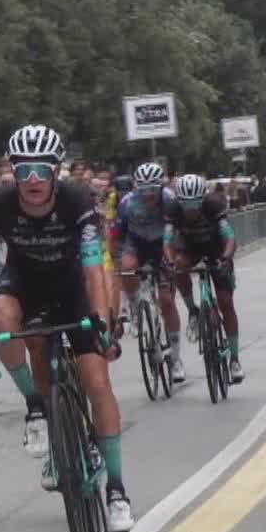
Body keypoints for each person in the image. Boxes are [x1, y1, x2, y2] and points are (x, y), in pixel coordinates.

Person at [0, 125, 132, 532]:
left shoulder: (77, 200)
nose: (33, 180)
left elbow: (94, 270)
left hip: (73, 285)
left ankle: (117, 490)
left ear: (57, 172)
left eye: (41, 170)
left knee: (96, 381)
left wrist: (102, 322)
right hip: (25, 284)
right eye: (23, 171)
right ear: (12, 175)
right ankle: (39, 407)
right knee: (5, 319)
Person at [165, 172, 243, 384]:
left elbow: (228, 236)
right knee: (178, 266)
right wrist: (170, 261)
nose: (190, 210)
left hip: (217, 250)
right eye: (186, 206)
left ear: (203, 199)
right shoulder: (172, 208)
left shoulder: (214, 204)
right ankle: (192, 309)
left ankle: (234, 359)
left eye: (195, 205)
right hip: (190, 250)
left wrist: (226, 258)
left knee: (226, 303)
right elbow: (168, 240)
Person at [112, 162, 184, 384]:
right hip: (137, 244)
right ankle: (135, 305)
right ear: (136, 189)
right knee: (126, 266)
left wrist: (176, 258)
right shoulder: (127, 204)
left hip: (163, 245)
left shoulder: (171, 200)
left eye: (153, 190)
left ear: (161, 187)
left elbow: (181, 232)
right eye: (144, 191)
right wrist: (114, 259)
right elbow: (115, 236)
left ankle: (176, 357)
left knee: (167, 301)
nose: (149, 196)